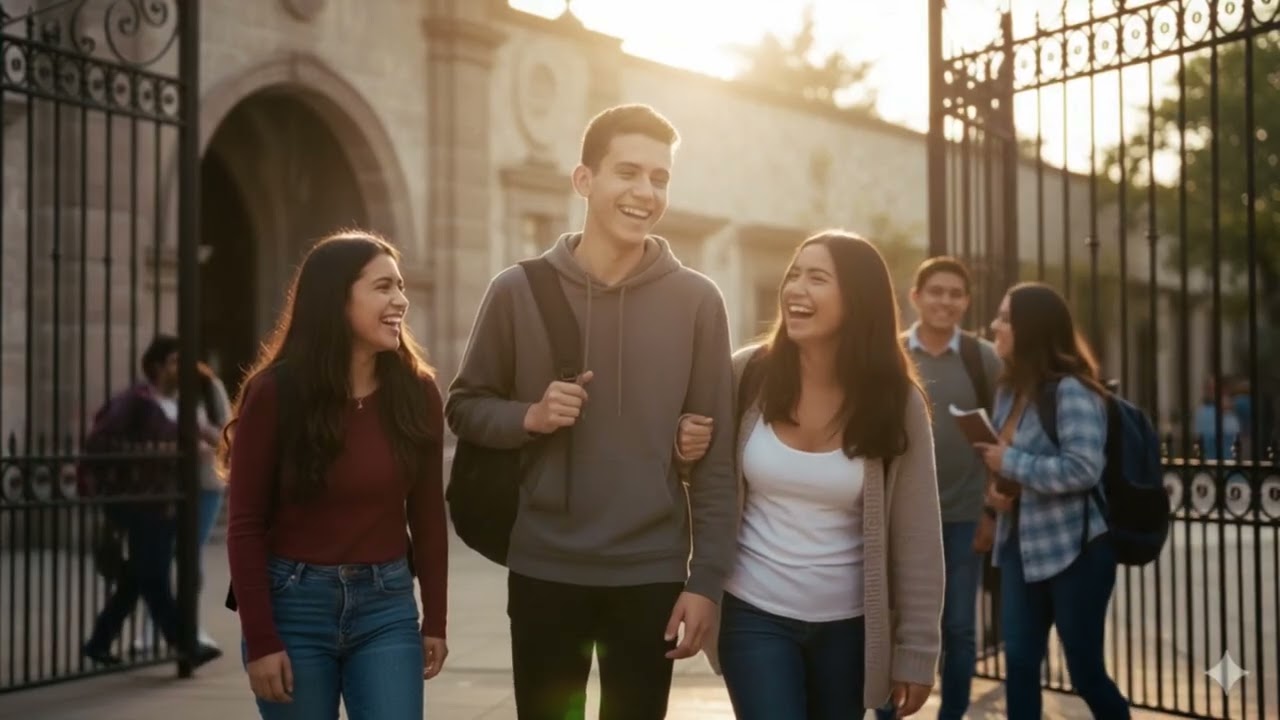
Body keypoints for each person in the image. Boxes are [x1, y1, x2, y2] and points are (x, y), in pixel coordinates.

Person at [446, 103, 737, 720]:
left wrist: (705, 580)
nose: (644, 192)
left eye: (659, 178)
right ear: (584, 180)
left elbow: (718, 460)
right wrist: (530, 416)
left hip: (653, 572)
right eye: (627, 172)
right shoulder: (516, 290)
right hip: (545, 566)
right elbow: (465, 407)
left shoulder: (697, 301)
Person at [678, 231, 945, 719]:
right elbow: (695, 472)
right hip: (752, 613)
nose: (795, 289)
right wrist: (684, 444)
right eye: (793, 275)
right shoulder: (746, 375)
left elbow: (918, 534)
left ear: (857, 299)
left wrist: (917, 652)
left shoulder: (897, 403)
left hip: (850, 631)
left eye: (816, 278)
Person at [222, 231, 449, 719]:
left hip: (387, 607)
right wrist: (261, 640)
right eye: (384, 287)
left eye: (402, 286)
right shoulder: (274, 394)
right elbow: (244, 524)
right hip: (293, 607)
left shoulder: (418, 393)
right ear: (336, 297)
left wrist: (436, 620)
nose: (401, 300)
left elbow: (428, 517)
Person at [978, 282, 1129, 719]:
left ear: (1031, 328)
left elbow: (1083, 469)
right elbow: (1017, 465)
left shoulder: (1074, 391)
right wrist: (999, 490)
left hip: (1075, 549)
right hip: (1020, 548)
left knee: (1084, 672)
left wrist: (1012, 461)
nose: (995, 325)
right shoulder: (1009, 389)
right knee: (1020, 664)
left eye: (1005, 317)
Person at [871, 256, 1002, 720]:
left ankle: (953, 715)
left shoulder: (981, 358)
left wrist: (991, 510)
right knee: (890, 621)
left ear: (966, 302)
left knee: (960, 628)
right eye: (936, 291)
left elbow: (1001, 439)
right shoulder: (892, 354)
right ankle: (885, 711)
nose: (945, 301)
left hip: (964, 516)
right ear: (916, 297)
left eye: (955, 294)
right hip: (899, 515)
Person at [82, 335, 222, 667]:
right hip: (139, 501)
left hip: (167, 501)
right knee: (155, 575)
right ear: (157, 366)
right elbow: (100, 443)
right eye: (175, 361)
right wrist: (155, 454)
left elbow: (209, 439)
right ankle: (184, 642)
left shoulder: (178, 406)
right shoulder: (135, 401)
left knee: (137, 576)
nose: (182, 368)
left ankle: (99, 641)